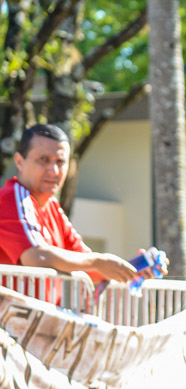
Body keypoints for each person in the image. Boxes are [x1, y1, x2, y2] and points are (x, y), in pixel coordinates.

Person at [0, 124, 160, 291]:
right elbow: (37, 257)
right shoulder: (11, 198)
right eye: (44, 160)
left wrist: (133, 269)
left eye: (61, 162)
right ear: (19, 161)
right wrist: (99, 262)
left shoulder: (52, 206)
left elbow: (90, 267)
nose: (54, 170)